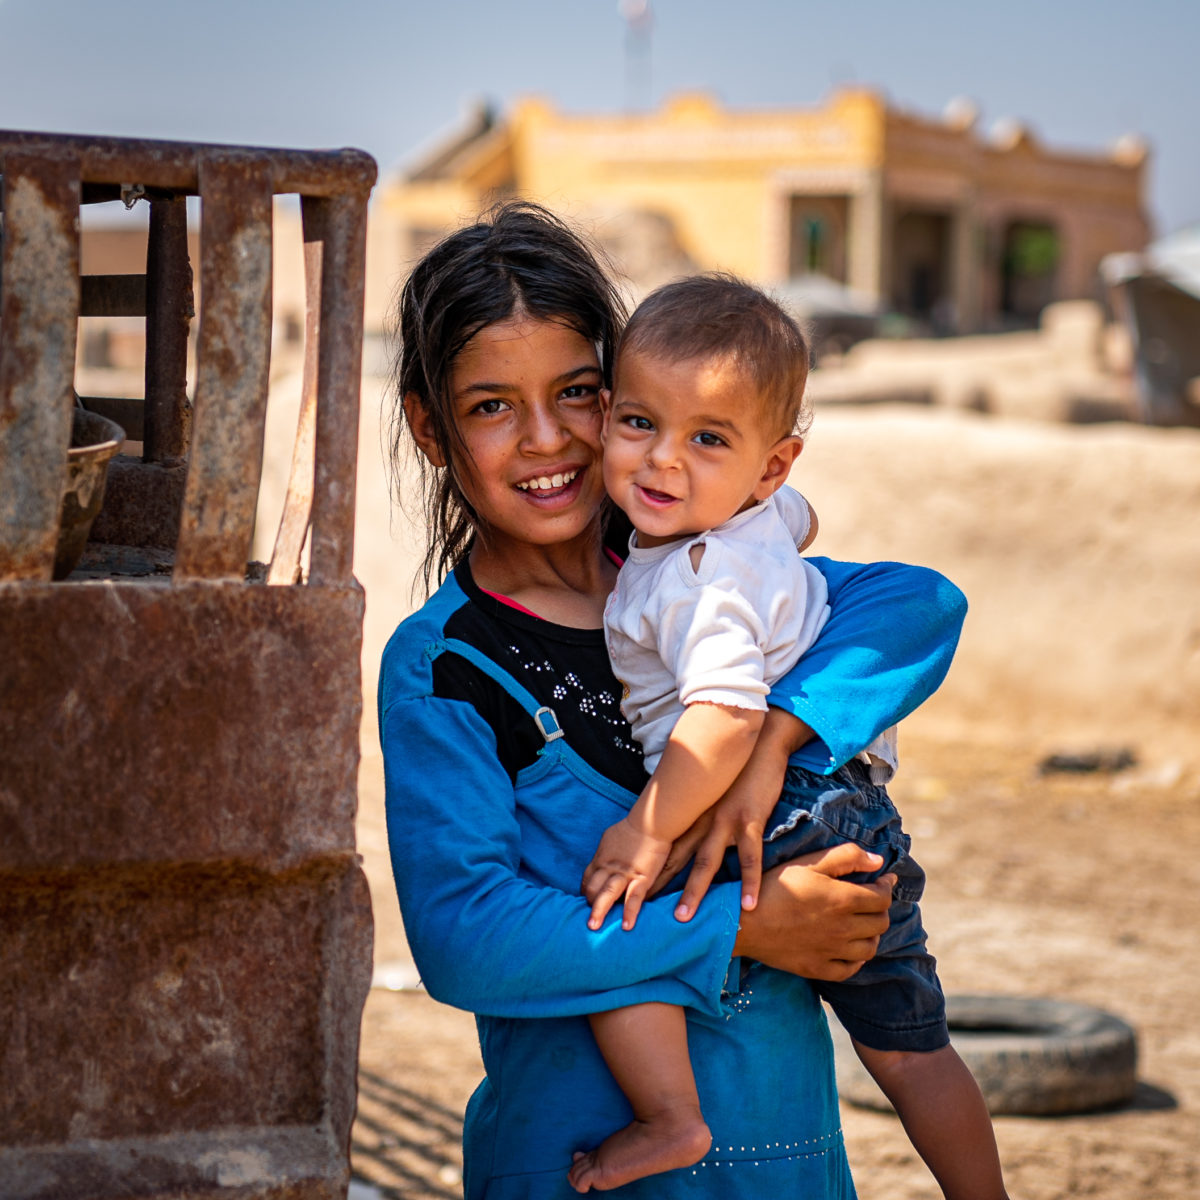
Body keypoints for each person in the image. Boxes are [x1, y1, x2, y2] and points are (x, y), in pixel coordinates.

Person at [379, 201, 968, 1200]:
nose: (545, 439)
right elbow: (466, 940)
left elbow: (919, 605)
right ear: (430, 429)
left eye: (577, 393)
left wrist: (773, 742)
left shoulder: (697, 561)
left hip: (786, 1165)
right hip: (576, 1168)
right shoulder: (447, 665)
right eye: (490, 407)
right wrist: (740, 927)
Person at [569, 275, 1008, 1199]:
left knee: (618, 934)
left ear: (771, 466)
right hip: (856, 803)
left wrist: (648, 828)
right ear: (607, 417)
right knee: (911, 1050)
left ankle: (670, 1118)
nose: (664, 462)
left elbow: (725, 713)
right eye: (641, 423)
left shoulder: (697, 579)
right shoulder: (762, 516)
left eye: (708, 440)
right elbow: (806, 523)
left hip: (776, 812)